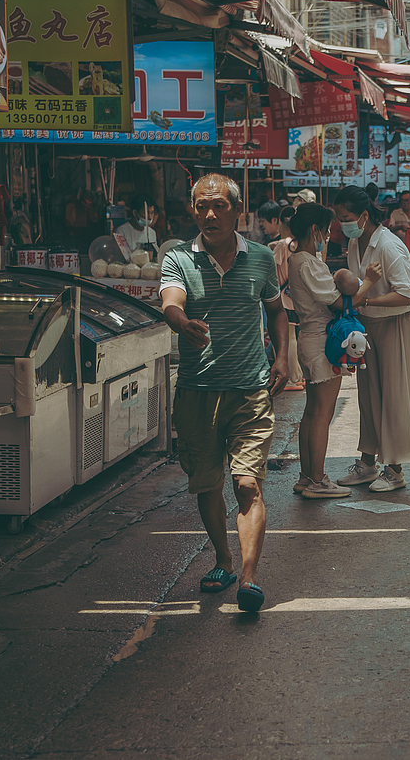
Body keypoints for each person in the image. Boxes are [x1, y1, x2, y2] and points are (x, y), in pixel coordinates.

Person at [159, 174, 289, 614]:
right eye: (200, 206)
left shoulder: (260, 260)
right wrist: (181, 322)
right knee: (207, 484)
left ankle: (249, 578)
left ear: (238, 210)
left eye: (218, 206)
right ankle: (223, 559)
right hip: (197, 391)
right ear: (193, 211)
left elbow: (276, 312)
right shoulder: (177, 258)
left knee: (247, 482)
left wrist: (282, 357)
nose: (209, 214)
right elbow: (171, 302)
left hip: (250, 389)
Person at [333, 185, 410, 493]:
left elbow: (405, 294)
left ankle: (395, 470)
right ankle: (367, 463)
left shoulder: (389, 245)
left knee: (395, 397)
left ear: (363, 216)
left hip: (398, 325)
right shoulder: (354, 243)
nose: (341, 222)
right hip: (369, 327)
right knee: (369, 396)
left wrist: (366, 302)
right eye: (338, 217)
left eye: (345, 217)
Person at [285, 203, 382, 499]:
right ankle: (317, 480)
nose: (328, 236)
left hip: (309, 338)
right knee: (321, 414)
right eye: (326, 230)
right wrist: (369, 283)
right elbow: (340, 303)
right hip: (320, 342)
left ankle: (307, 476)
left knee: (312, 412)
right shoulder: (308, 263)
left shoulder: (297, 260)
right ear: (315, 230)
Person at [258, 201, 305, 391]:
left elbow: (271, 263)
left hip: (282, 296)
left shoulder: (283, 244)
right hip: (294, 296)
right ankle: (298, 376)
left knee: (286, 337)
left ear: (285, 225)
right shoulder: (297, 243)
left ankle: (292, 378)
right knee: (294, 335)